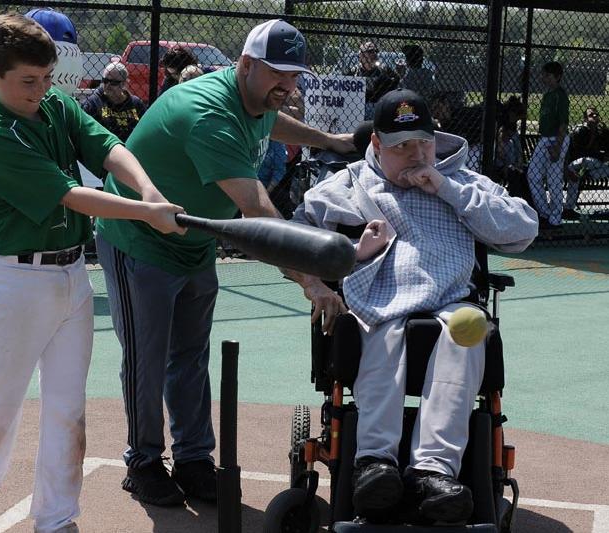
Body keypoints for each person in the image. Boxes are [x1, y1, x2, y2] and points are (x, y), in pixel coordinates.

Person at [95, 18, 353, 508]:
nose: (289, 85)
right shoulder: (209, 113)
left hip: (194, 243)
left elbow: (270, 122)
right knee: (148, 360)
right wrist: (312, 282)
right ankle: (144, 462)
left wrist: (332, 141)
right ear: (247, 65)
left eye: (295, 75)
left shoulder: (254, 97)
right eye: (279, 73)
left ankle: (193, 460)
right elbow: (258, 212)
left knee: (189, 356)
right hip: (139, 242)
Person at [0, 13, 185, 533]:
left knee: (66, 408)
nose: (40, 90)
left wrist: (148, 190)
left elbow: (108, 147)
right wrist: (146, 214)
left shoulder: (55, 105)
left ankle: (56, 519)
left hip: (72, 277)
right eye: (27, 81)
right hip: (15, 283)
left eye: (46, 78)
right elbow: (70, 194)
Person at [291, 89, 538, 524]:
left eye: (422, 142)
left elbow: (523, 228)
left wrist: (447, 189)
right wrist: (353, 251)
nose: (415, 154)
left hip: (453, 302)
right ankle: (374, 465)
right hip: (379, 301)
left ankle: (434, 472)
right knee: (383, 331)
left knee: (466, 333)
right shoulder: (348, 183)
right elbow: (298, 238)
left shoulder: (461, 180)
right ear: (377, 145)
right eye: (401, 146)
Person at [526, 61, 569, 228]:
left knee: (553, 179)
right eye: (543, 74)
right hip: (545, 139)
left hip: (557, 138)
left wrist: (558, 147)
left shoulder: (560, 95)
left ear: (557, 77)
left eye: (548, 75)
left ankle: (555, 219)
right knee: (533, 174)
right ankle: (545, 213)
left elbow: (563, 124)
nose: (544, 78)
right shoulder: (547, 95)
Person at [81, 61, 147, 142]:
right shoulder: (93, 103)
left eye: (113, 82)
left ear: (123, 84)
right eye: (105, 80)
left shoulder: (136, 104)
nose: (108, 85)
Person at [563, 106, 609, 219]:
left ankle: (587, 175)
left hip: (593, 167)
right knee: (584, 162)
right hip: (576, 164)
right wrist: (601, 156)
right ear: (585, 119)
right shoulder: (580, 131)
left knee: (604, 168)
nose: (594, 116)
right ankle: (568, 209)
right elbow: (581, 154)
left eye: (596, 114)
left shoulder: (601, 131)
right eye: (590, 115)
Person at [346, 41, 399, 120]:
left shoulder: (384, 70)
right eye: (370, 51)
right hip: (359, 108)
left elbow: (396, 81)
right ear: (361, 55)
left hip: (378, 108)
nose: (374, 53)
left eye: (375, 51)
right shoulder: (354, 72)